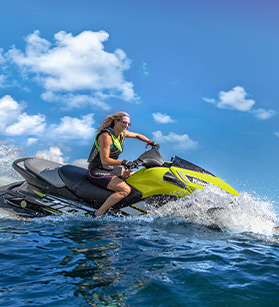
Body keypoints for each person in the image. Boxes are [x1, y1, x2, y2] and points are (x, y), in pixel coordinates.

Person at [87, 111, 158, 217]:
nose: (127, 126)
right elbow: (104, 160)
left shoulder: (122, 134)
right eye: (124, 123)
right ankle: (97, 214)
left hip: (110, 169)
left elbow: (138, 135)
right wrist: (123, 162)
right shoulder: (106, 136)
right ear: (116, 121)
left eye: (128, 124)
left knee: (137, 176)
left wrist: (151, 143)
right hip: (98, 171)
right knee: (125, 190)